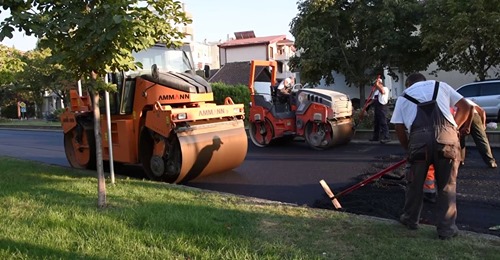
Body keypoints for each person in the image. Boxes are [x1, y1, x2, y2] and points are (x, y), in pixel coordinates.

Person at [390, 73, 472, 240]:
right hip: (447, 140)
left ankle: (410, 219)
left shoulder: (403, 96)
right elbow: (466, 107)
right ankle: (447, 229)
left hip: (419, 142)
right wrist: (454, 128)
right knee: (447, 186)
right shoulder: (440, 85)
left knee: (415, 184)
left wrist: (408, 149)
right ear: (424, 81)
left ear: (408, 84)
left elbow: (399, 128)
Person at [457, 100, 497, 168]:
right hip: (471, 115)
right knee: (481, 139)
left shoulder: (458, 100)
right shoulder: (465, 100)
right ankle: (490, 161)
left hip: (466, 114)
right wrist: (483, 124)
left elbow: (471, 108)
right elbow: (482, 112)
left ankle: (460, 161)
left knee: (460, 138)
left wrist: (468, 126)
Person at [369, 78, 390, 143]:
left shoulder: (385, 89)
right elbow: (374, 100)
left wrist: (377, 84)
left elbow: (382, 91)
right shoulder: (376, 91)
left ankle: (387, 137)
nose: (375, 86)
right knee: (376, 123)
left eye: (376, 84)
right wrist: (367, 105)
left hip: (382, 107)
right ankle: (376, 137)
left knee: (383, 122)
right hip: (377, 107)